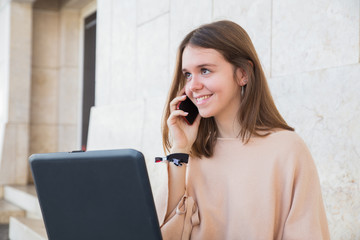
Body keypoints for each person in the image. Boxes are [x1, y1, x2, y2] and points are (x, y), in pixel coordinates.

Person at [155, 20, 330, 240]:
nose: (192, 86)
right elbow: (164, 234)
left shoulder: (288, 150)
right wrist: (179, 150)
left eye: (205, 70)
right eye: (187, 74)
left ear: (243, 74)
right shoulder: (191, 153)